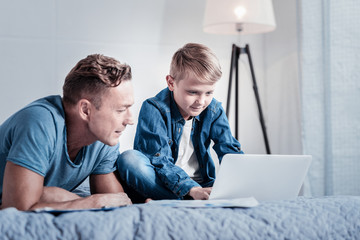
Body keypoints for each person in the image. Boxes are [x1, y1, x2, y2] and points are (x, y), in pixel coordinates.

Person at [0, 54, 134, 211]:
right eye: (120, 110)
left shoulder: (104, 138)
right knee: (56, 196)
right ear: (85, 110)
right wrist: (91, 203)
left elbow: (118, 203)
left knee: (55, 196)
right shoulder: (39, 122)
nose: (130, 120)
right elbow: (16, 209)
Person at [117, 43, 243, 202]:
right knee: (129, 160)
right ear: (171, 83)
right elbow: (159, 161)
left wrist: (243, 180)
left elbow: (229, 151)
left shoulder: (213, 110)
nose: (202, 101)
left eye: (209, 92)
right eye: (193, 92)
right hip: (164, 183)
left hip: (203, 184)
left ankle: (183, 200)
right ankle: (183, 199)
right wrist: (191, 189)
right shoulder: (154, 108)